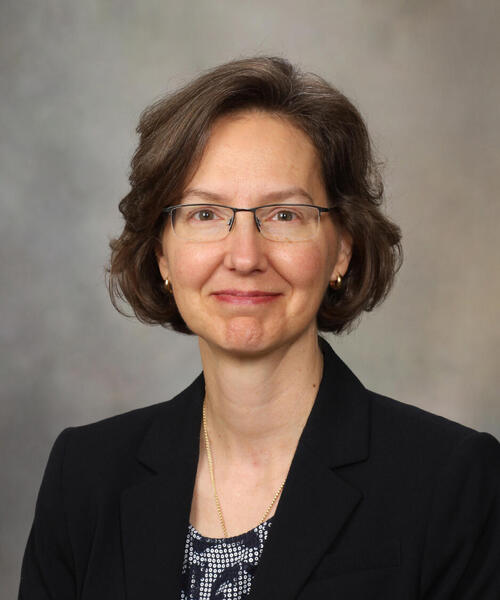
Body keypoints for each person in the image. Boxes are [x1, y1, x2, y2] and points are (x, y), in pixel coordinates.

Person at [18, 56, 500, 600]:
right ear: (161, 254)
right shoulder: (85, 477)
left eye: (284, 215)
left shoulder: (449, 482)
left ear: (342, 248)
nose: (245, 257)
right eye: (205, 214)